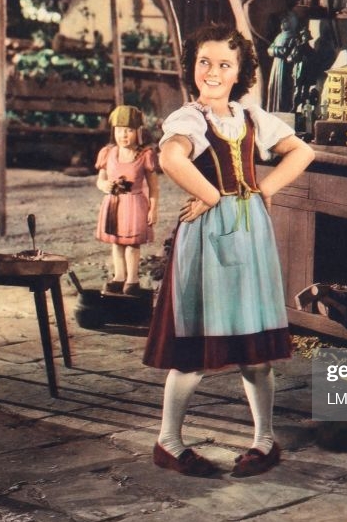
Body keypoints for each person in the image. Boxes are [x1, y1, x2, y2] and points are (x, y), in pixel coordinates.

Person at [143, 23, 314, 477]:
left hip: (250, 233)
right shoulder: (188, 119)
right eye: (204, 62)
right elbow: (170, 158)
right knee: (196, 347)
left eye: (224, 64)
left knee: (254, 348)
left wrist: (265, 186)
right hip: (206, 239)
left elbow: (302, 152)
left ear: (240, 72)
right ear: (191, 67)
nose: (213, 72)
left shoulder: (251, 117)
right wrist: (214, 194)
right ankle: (169, 441)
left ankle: (263, 439)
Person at [94, 104, 159, 296]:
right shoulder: (108, 153)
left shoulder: (145, 155)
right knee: (117, 243)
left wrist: (153, 209)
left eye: (129, 131)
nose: (124, 136)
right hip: (114, 204)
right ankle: (119, 277)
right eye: (120, 131)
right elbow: (100, 179)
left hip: (135, 204)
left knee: (131, 244)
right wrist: (104, 186)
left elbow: (154, 188)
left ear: (138, 132)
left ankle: (132, 280)